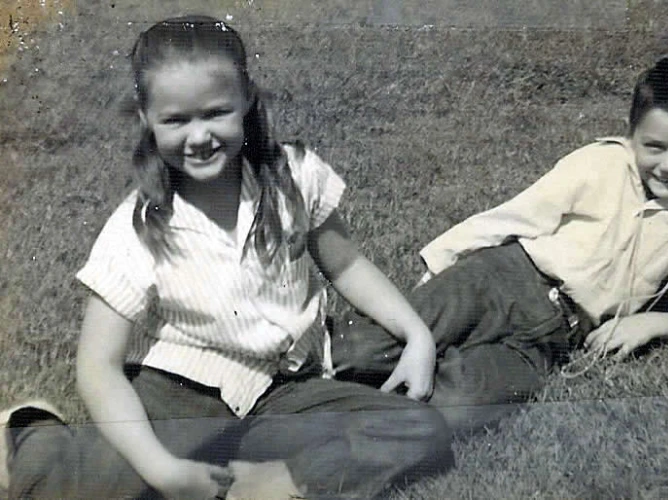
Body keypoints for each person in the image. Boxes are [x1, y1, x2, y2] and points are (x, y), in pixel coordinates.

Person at [0, 15, 454, 500]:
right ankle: (30, 434)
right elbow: (97, 367)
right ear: (146, 120)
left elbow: (346, 266)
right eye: (176, 120)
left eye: (215, 112)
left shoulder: (294, 176)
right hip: (179, 392)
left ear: (246, 101)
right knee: (84, 486)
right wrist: (164, 471)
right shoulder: (135, 229)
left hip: (284, 391)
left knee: (417, 428)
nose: (198, 137)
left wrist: (416, 334)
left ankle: (276, 481)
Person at [332, 57, 668, 433]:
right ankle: (318, 373)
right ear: (630, 133)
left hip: (552, 338)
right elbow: (516, 215)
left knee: (460, 403)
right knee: (359, 348)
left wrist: (649, 323)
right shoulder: (600, 165)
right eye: (654, 146)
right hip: (500, 279)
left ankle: (374, 405)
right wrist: (442, 261)